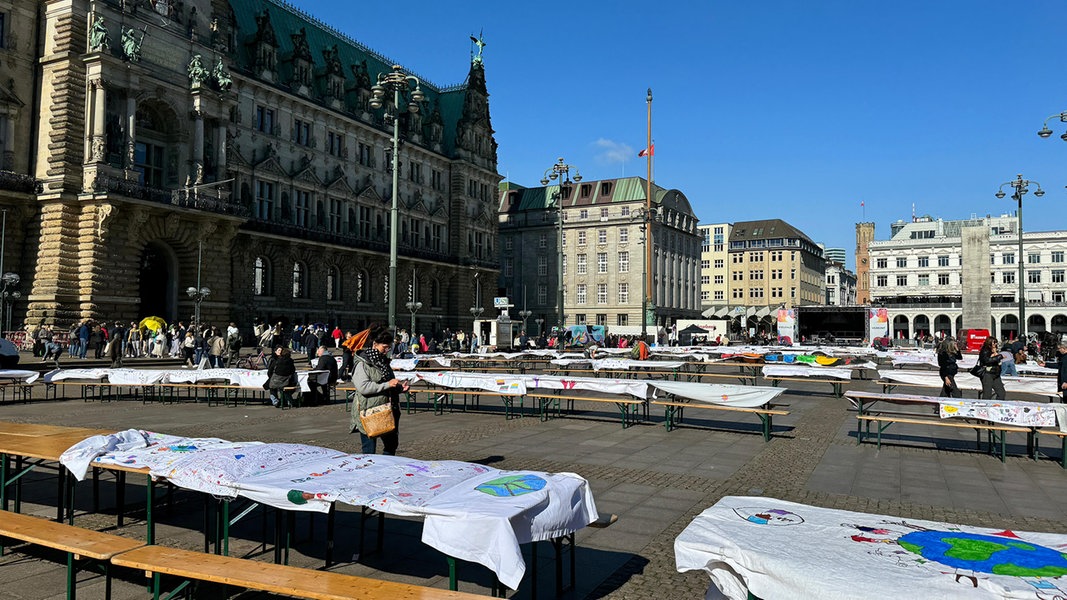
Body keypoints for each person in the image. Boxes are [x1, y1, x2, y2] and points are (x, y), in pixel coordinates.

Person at [349, 325, 409, 455]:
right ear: (375, 344)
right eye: (384, 347)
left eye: (389, 347)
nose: (387, 350)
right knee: (369, 451)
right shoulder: (362, 363)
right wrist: (388, 384)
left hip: (388, 411)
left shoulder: (384, 362)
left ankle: (387, 472)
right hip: (369, 411)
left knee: (391, 446)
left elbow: (388, 383)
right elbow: (363, 387)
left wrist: (399, 388)